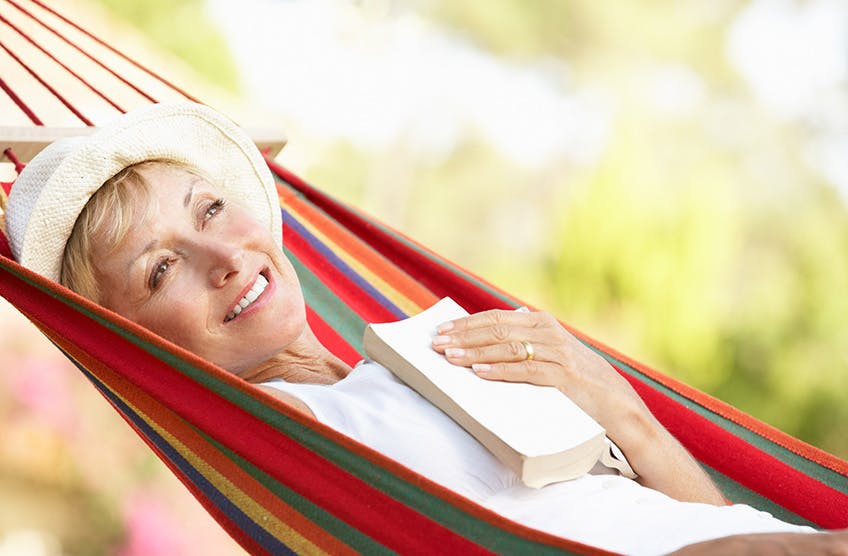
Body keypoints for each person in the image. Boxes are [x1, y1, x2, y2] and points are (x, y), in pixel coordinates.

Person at [4, 102, 846, 555]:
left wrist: (616, 405)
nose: (221, 255)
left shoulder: (427, 352)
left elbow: (708, 533)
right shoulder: (285, 454)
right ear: (134, 347)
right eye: (160, 269)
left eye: (212, 208)